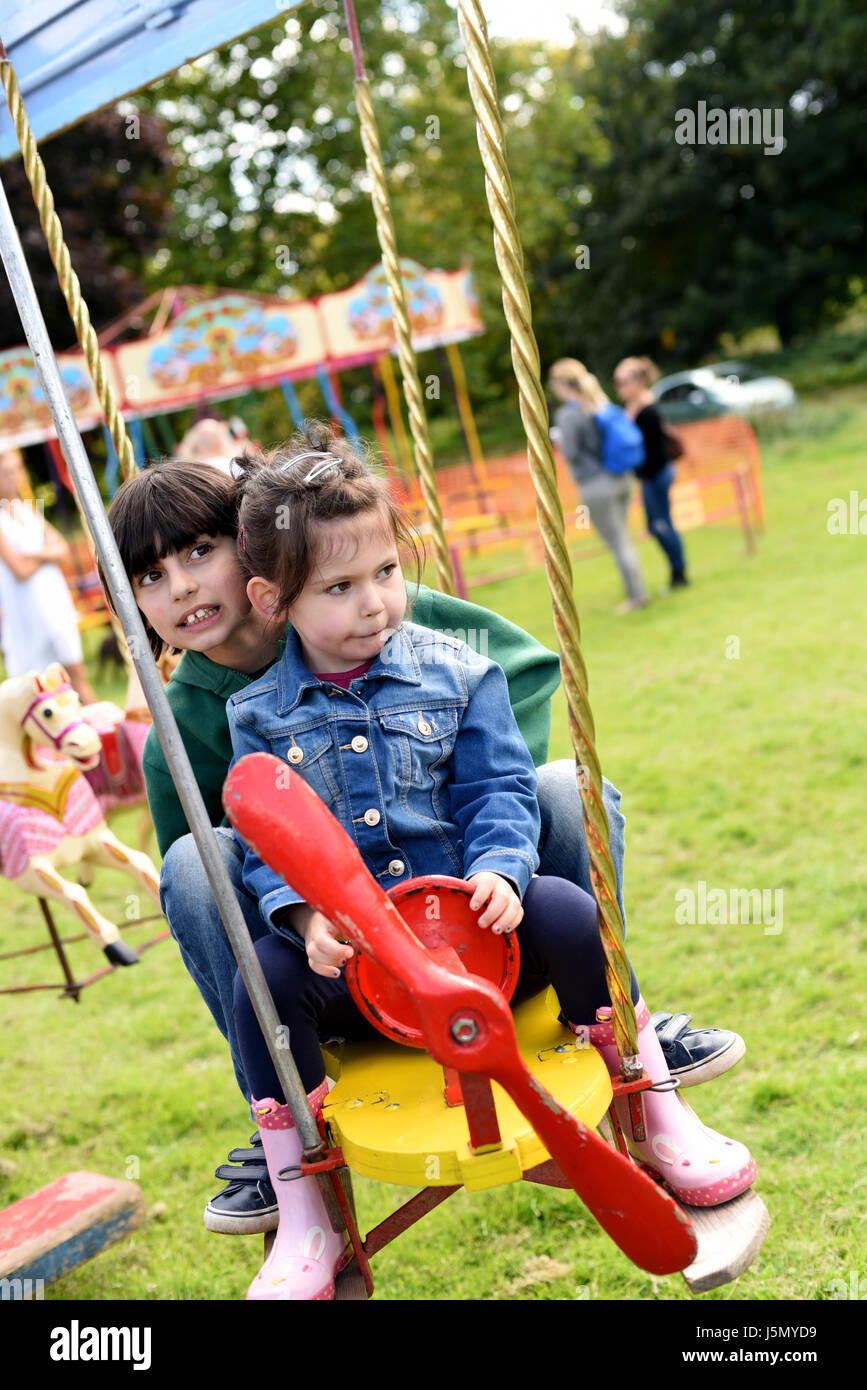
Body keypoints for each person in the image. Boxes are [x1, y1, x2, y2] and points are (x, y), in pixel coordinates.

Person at [105, 445, 744, 1246]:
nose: (184, 587)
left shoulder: (386, 610)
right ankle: (280, 1115)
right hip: (334, 964)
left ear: (253, 544)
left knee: (560, 783)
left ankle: (616, 1027)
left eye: (201, 551)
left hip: (479, 911)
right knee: (194, 863)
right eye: (150, 577)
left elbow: (519, 687)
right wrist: (305, 919)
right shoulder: (189, 727)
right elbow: (210, 901)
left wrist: (480, 831)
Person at [548, 358, 648, 615]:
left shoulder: (569, 414)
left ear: (562, 383)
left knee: (618, 543)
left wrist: (556, 437)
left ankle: (637, 596)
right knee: (623, 539)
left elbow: (569, 451)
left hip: (596, 484)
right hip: (620, 478)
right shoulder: (597, 402)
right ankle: (634, 589)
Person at [0, 448, 95, 703]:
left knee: (74, 670)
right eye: (6, 472)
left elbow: (62, 548)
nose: (13, 477)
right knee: (37, 685)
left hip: (52, 601)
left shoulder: (26, 509)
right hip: (25, 610)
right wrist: (45, 555)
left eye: (16, 470)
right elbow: (19, 571)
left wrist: (34, 555)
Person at [614, 356, 688, 589]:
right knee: (656, 526)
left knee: (661, 525)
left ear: (637, 381)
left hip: (656, 474)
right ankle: (677, 571)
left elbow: (652, 452)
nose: (619, 387)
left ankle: (679, 573)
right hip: (649, 475)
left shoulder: (647, 411)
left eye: (622, 381)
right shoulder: (634, 408)